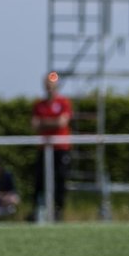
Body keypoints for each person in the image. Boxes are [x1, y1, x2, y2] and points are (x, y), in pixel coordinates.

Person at [30, 71, 72, 221]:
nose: (50, 89)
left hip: (61, 148)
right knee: (39, 180)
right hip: (43, 148)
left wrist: (44, 122)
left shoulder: (63, 103)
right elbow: (34, 124)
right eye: (48, 86)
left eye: (52, 86)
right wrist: (52, 122)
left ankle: (58, 210)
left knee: (60, 179)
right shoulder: (38, 105)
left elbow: (62, 122)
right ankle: (36, 210)